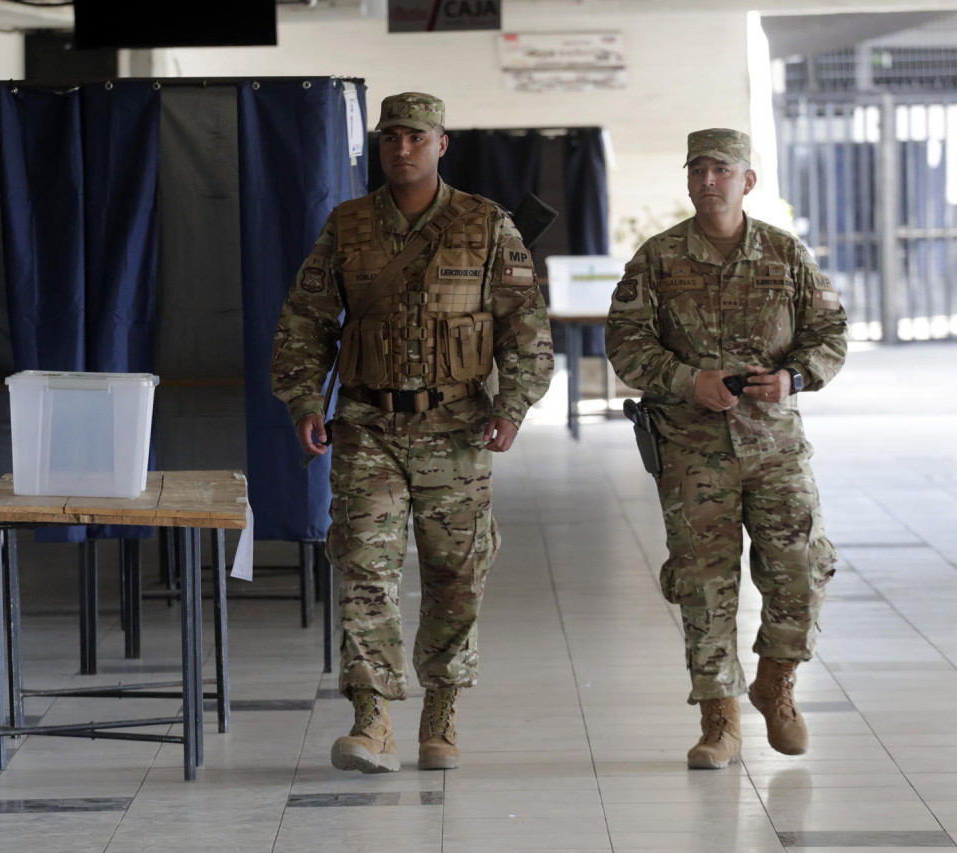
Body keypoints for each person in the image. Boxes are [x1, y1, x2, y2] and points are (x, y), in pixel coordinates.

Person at [270, 92, 553, 773]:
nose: (402, 148)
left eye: (416, 136)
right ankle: (371, 719)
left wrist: (512, 405)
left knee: (456, 574)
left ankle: (441, 711)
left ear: (441, 143)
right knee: (365, 567)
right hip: (368, 426)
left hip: (457, 428)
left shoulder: (487, 225)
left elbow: (526, 331)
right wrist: (304, 400)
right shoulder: (347, 226)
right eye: (391, 136)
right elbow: (304, 322)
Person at [606, 129, 847, 769]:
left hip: (775, 446)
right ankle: (720, 721)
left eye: (721, 169)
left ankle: (776, 683)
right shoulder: (657, 260)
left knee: (803, 565)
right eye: (698, 169)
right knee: (703, 584)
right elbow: (625, 344)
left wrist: (795, 376)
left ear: (747, 181)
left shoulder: (785, 254)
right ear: (688, 181)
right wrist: (690, 381)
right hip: (692, 449)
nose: (708, 180)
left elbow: (830, 333)